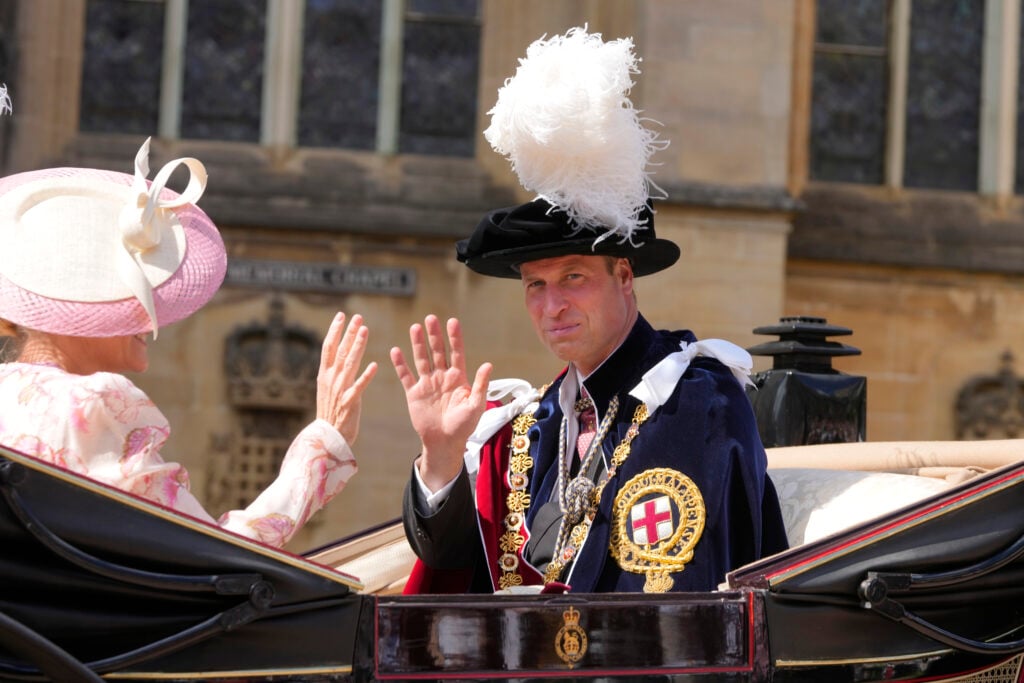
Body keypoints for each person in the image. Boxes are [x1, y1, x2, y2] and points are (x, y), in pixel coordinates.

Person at [392, 27, 788, 594]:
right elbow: (454, 569)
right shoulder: (530, 428)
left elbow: (685, 594)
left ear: (623, 276)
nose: (552, 305)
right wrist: (440, 457)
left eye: (572, 278)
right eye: (535, 285)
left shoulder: (696, 401)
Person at [0, 137, 378, 549]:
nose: (152, 316)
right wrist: (323, 443)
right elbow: (212, 556)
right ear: (79, 307)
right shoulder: (98, 402)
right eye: (133, 288)